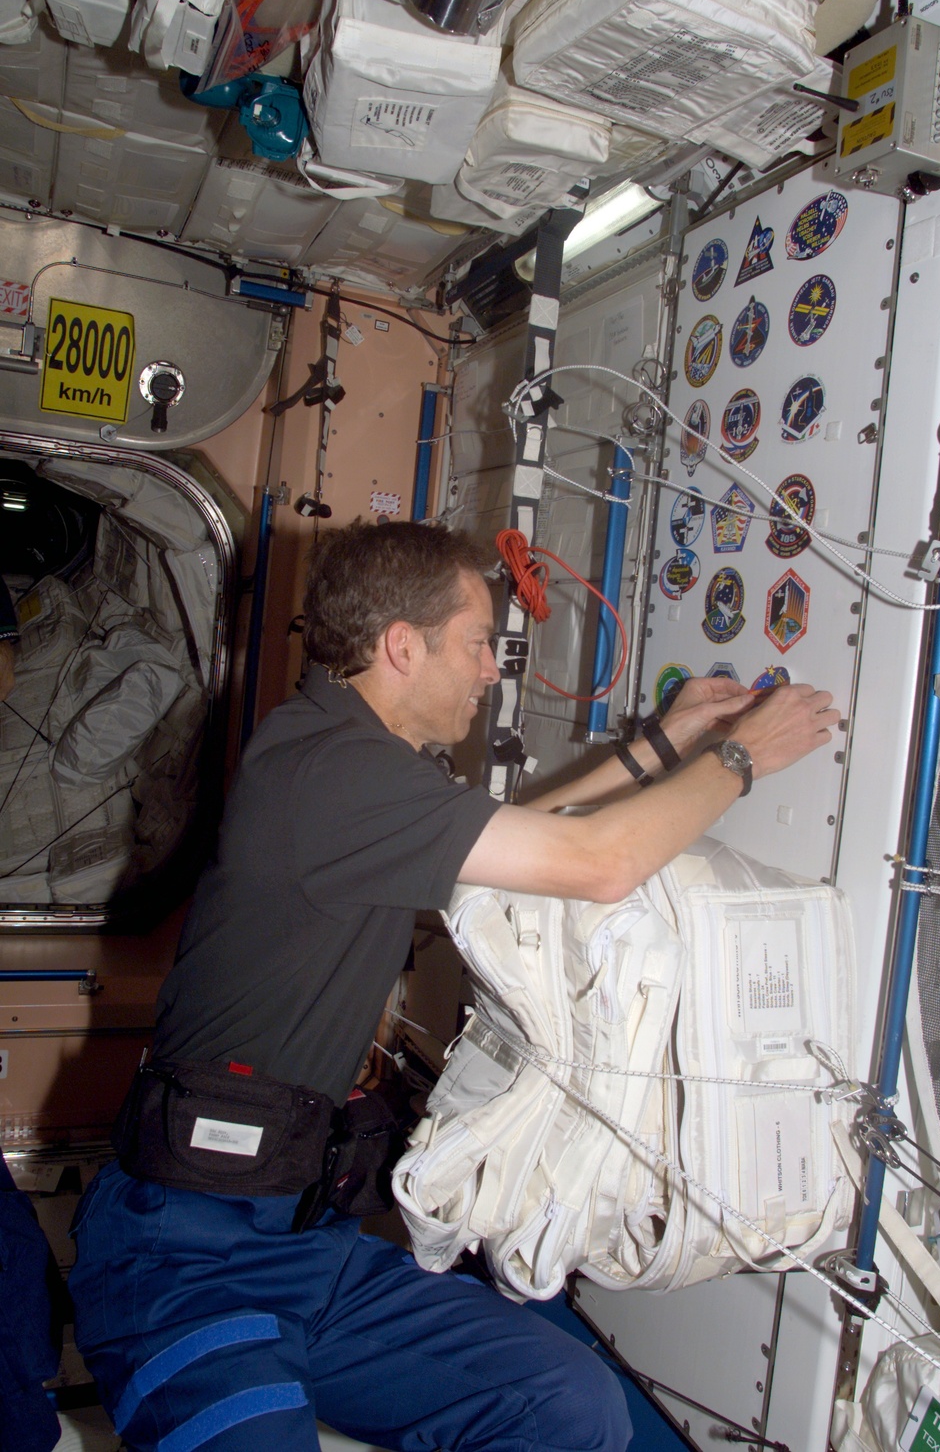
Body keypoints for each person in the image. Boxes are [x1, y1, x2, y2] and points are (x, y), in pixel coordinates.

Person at [68, 519, 838, 1452]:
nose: (489, 671)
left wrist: (665, 744)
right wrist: (741, 758)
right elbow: (598, 864)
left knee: (568, 1405)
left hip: (303, 1246)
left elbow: (504, 848)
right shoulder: (332, 771)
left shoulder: (338, 752)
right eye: (477, 644)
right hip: (189, 1254)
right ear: (403, 646)